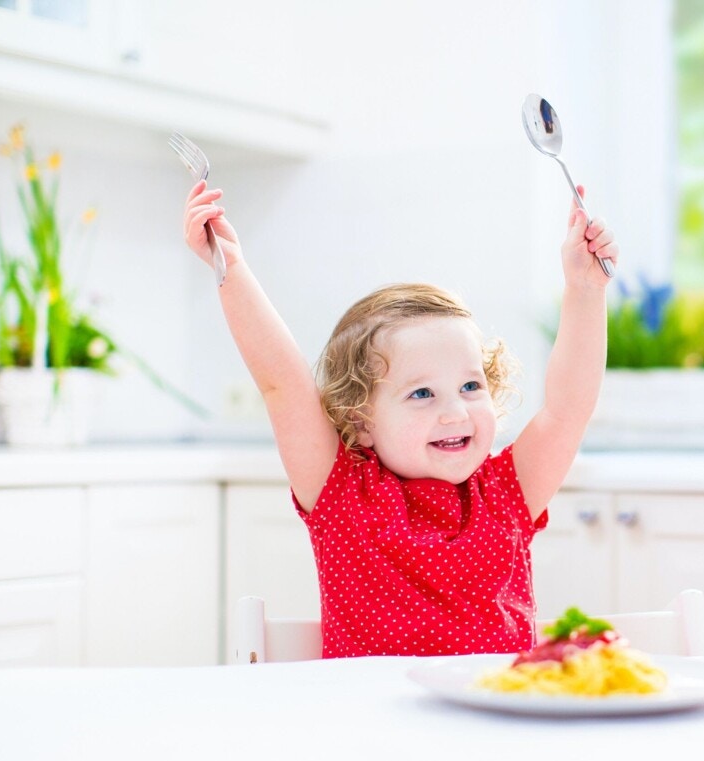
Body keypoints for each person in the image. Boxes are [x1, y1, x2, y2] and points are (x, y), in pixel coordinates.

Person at [181, 178, 617, 658]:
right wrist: (232, 268)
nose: (455, 411)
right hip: (373, 727)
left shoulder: (507, 492)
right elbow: (281, 384)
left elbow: (567, 409)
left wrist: (584, 287)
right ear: (361, 418)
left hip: (494, 726)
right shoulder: (342, 492)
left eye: (471, 386)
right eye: (422, 393)